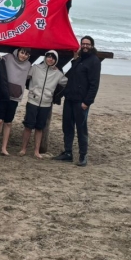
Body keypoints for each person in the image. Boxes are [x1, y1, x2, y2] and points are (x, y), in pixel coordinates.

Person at [56, 36, 101, 167]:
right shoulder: (79, 59)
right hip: (70, 98)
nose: (85, 46)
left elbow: (94, 84)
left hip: (81, 101)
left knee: (81, 129)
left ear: (92, 46)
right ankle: (68, 153)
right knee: (67, 127)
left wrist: (87, 102)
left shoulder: (94, 61)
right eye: (83, 44)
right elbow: (72, 75)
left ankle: (83, 155)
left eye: (88, 44)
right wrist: (75, 60)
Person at [19, 51, 67, 158]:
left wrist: (57, 95)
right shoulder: (36, 68)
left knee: (39, 128)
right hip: (32, 101)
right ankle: (23, 149)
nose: (50, 59)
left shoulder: (58, 73)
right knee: (28, 126)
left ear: (56, 60)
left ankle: (36, 151)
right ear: (45, 58)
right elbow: (23, 75)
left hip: (46, 104)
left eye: (53, 58)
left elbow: (67, 83)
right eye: (49, 57)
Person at [0, 47, 33, 155]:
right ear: (18, 52)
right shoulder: (8, 57)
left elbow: (34, 75)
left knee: (8, 123)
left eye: (26, 54)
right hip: (3, 94)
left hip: (15, 97)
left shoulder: (28, 65)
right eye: (22, 52)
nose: (23, 55)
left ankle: (4, 148)